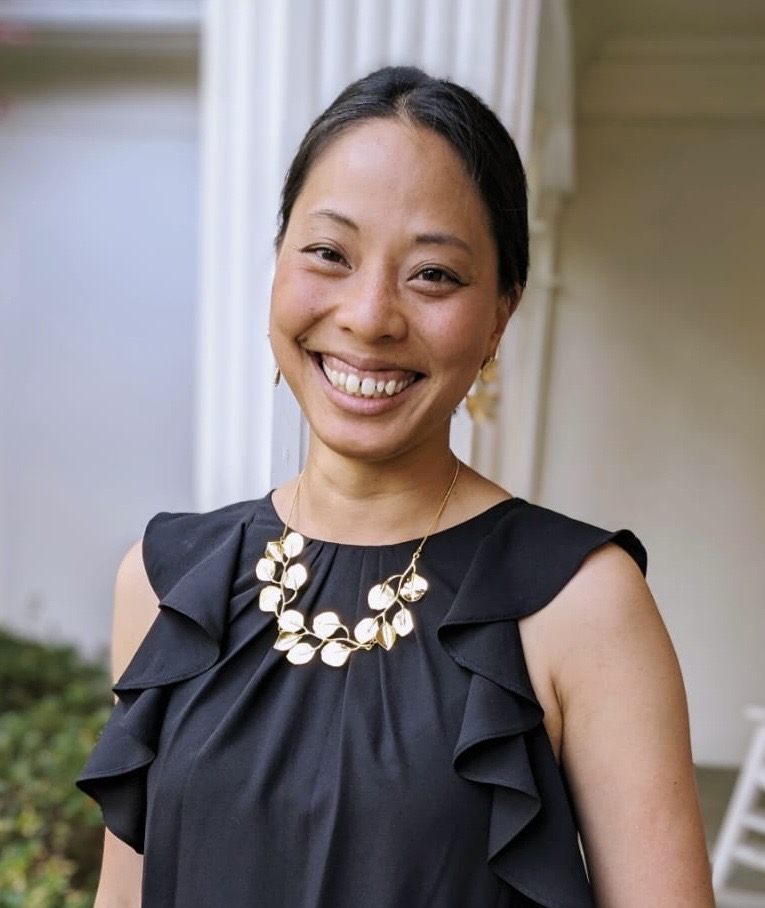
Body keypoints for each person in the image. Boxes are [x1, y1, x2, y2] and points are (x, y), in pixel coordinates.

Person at [78, 66, 714, 907]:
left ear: (499, 315)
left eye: (433, 274)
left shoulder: (581, 604)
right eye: (328, 254)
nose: (369, 315)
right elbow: (125, 895)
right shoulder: (165, 583)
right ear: (277, 265)